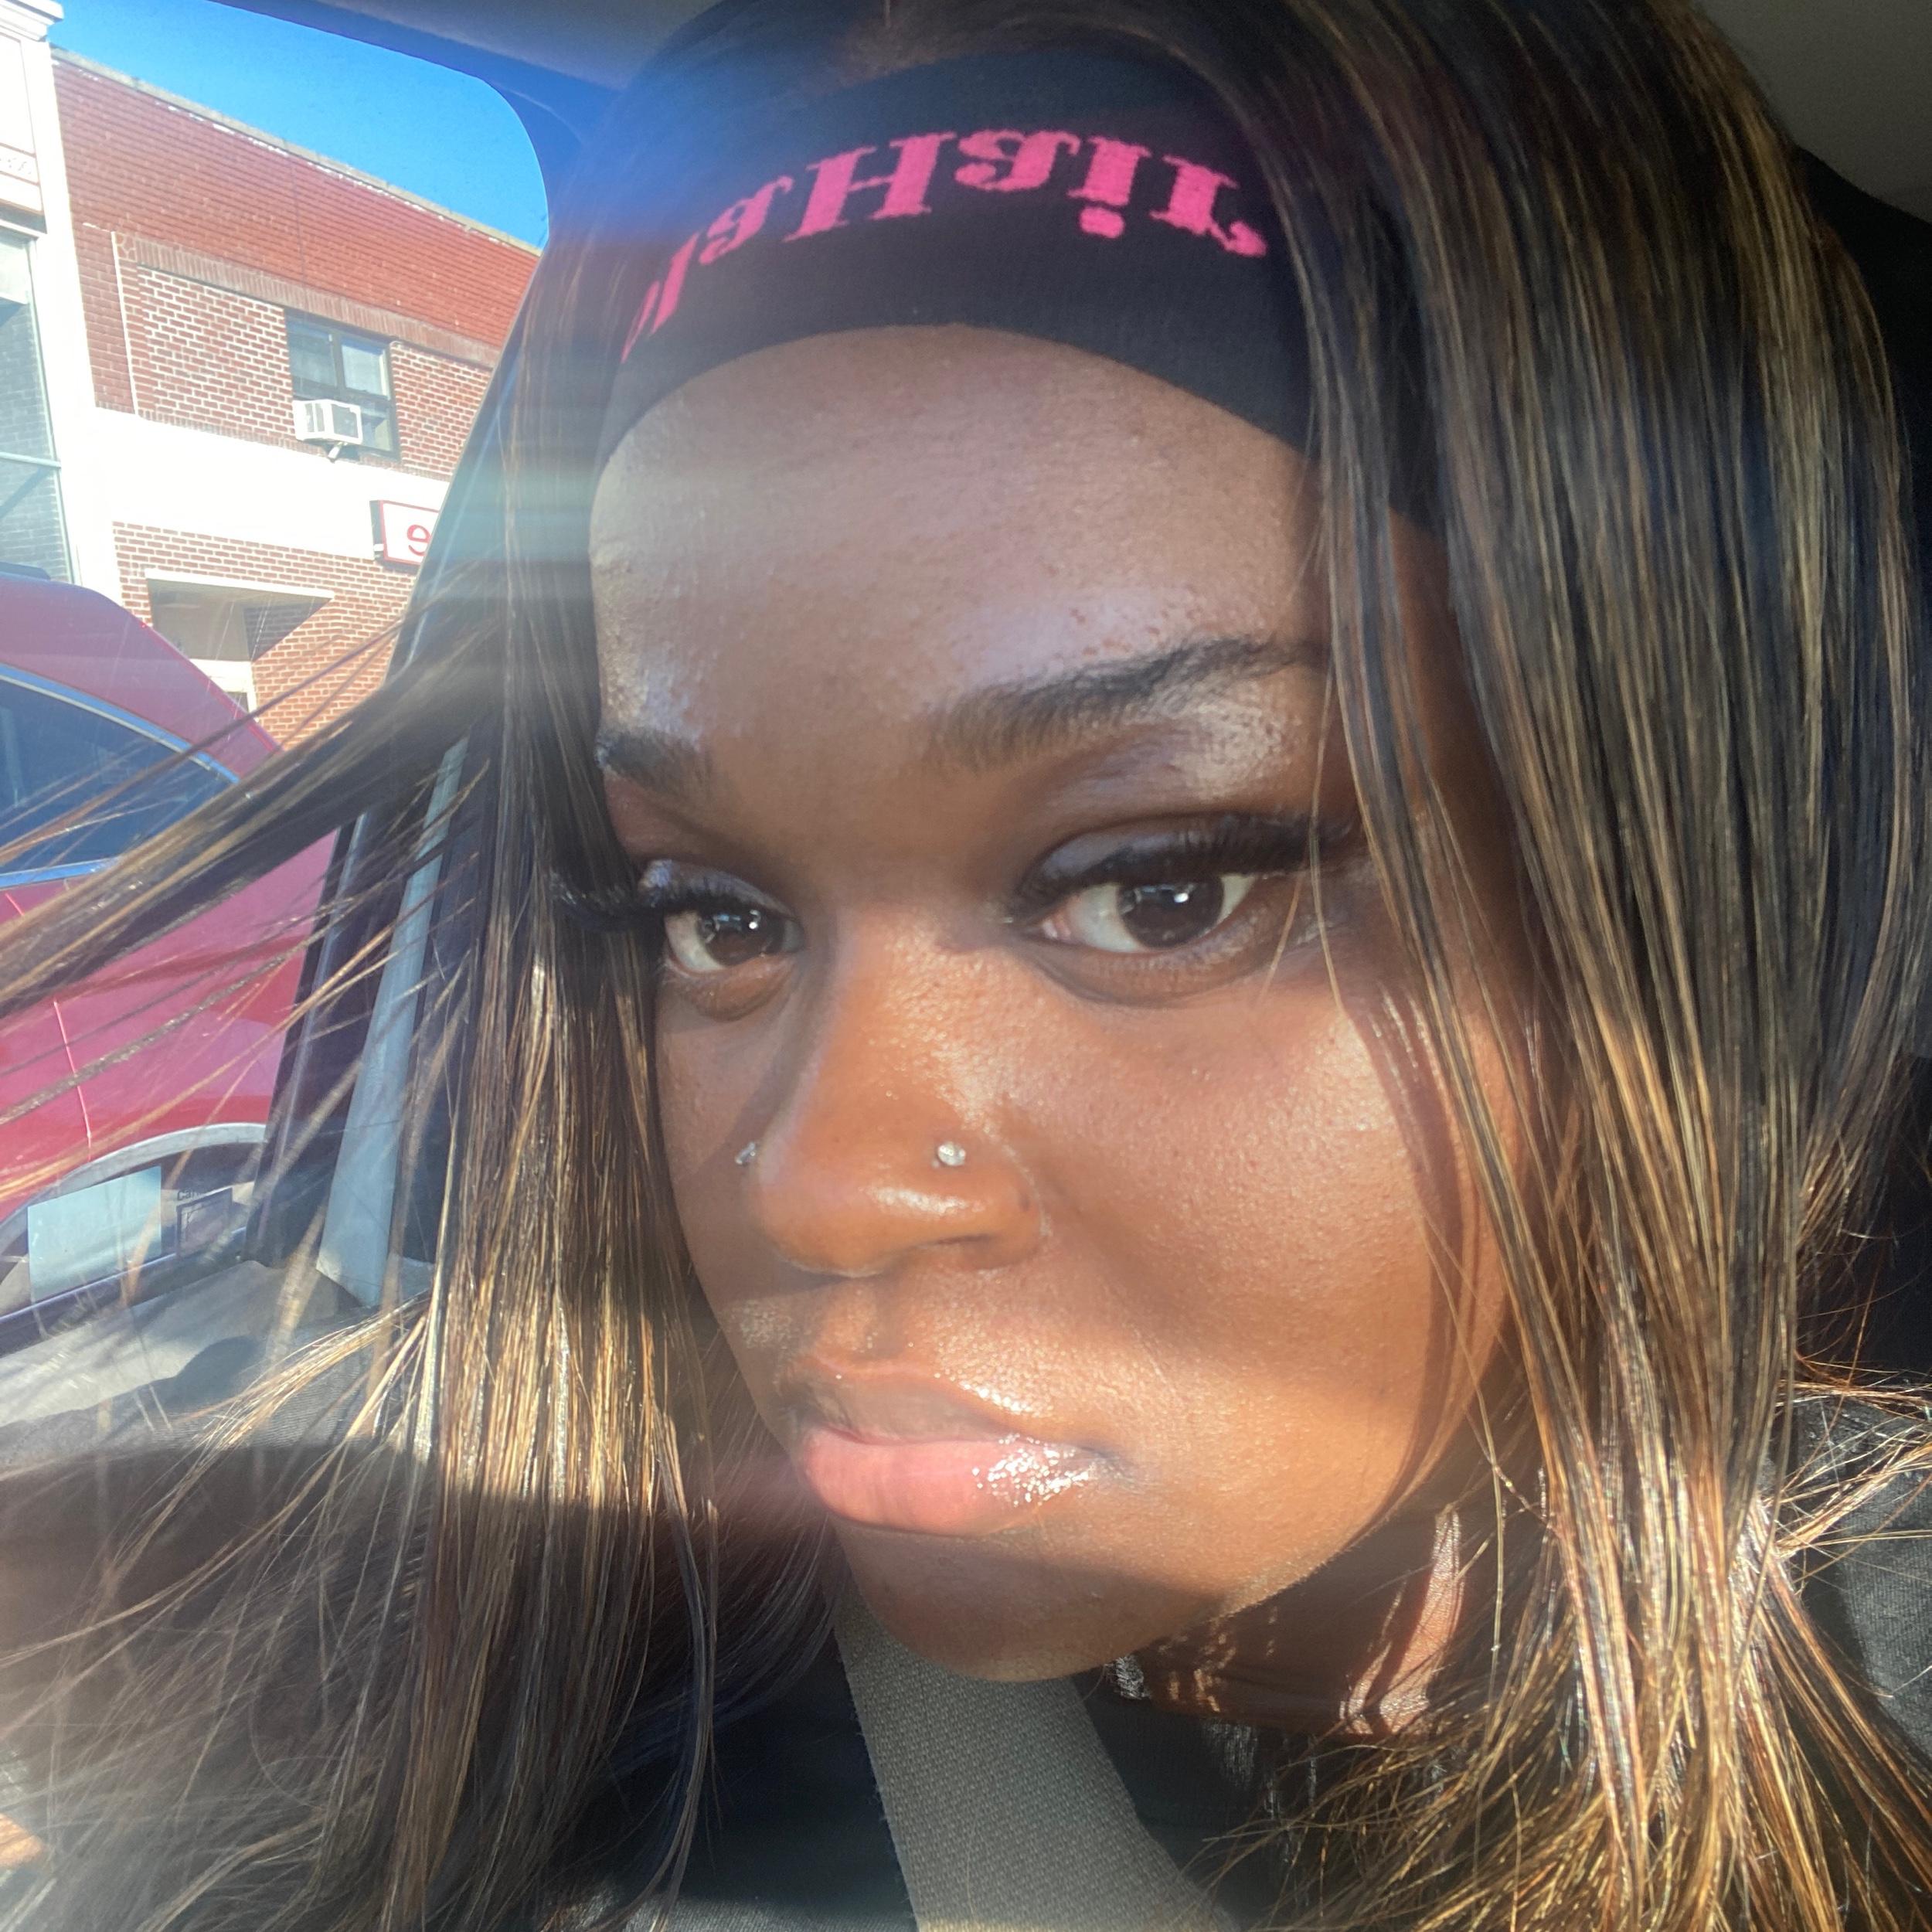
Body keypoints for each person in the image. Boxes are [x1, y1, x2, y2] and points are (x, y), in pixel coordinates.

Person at [1, 0, 1929, 1927]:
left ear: (1698, 898)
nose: (815, 1186)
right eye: (713, 916)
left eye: (1161, 891)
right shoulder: (512, 1760)